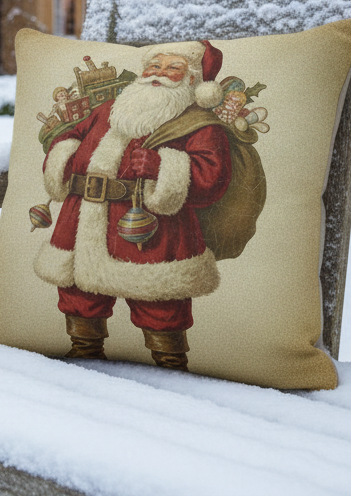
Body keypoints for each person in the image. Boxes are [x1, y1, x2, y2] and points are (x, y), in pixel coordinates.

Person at [33, 40, 233, 370]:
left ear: (193, 80)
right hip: (81, 219)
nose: (159, 74)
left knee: (160, 304)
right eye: (154, 66)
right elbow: (69, 135)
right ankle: (83, 356)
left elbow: (212, 177)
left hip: (152, 228)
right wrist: (65, 156)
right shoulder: (108, 109)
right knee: (79, 295)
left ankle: (169, 366)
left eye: (173, 68)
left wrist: (161, 166)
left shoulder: (198, 124)